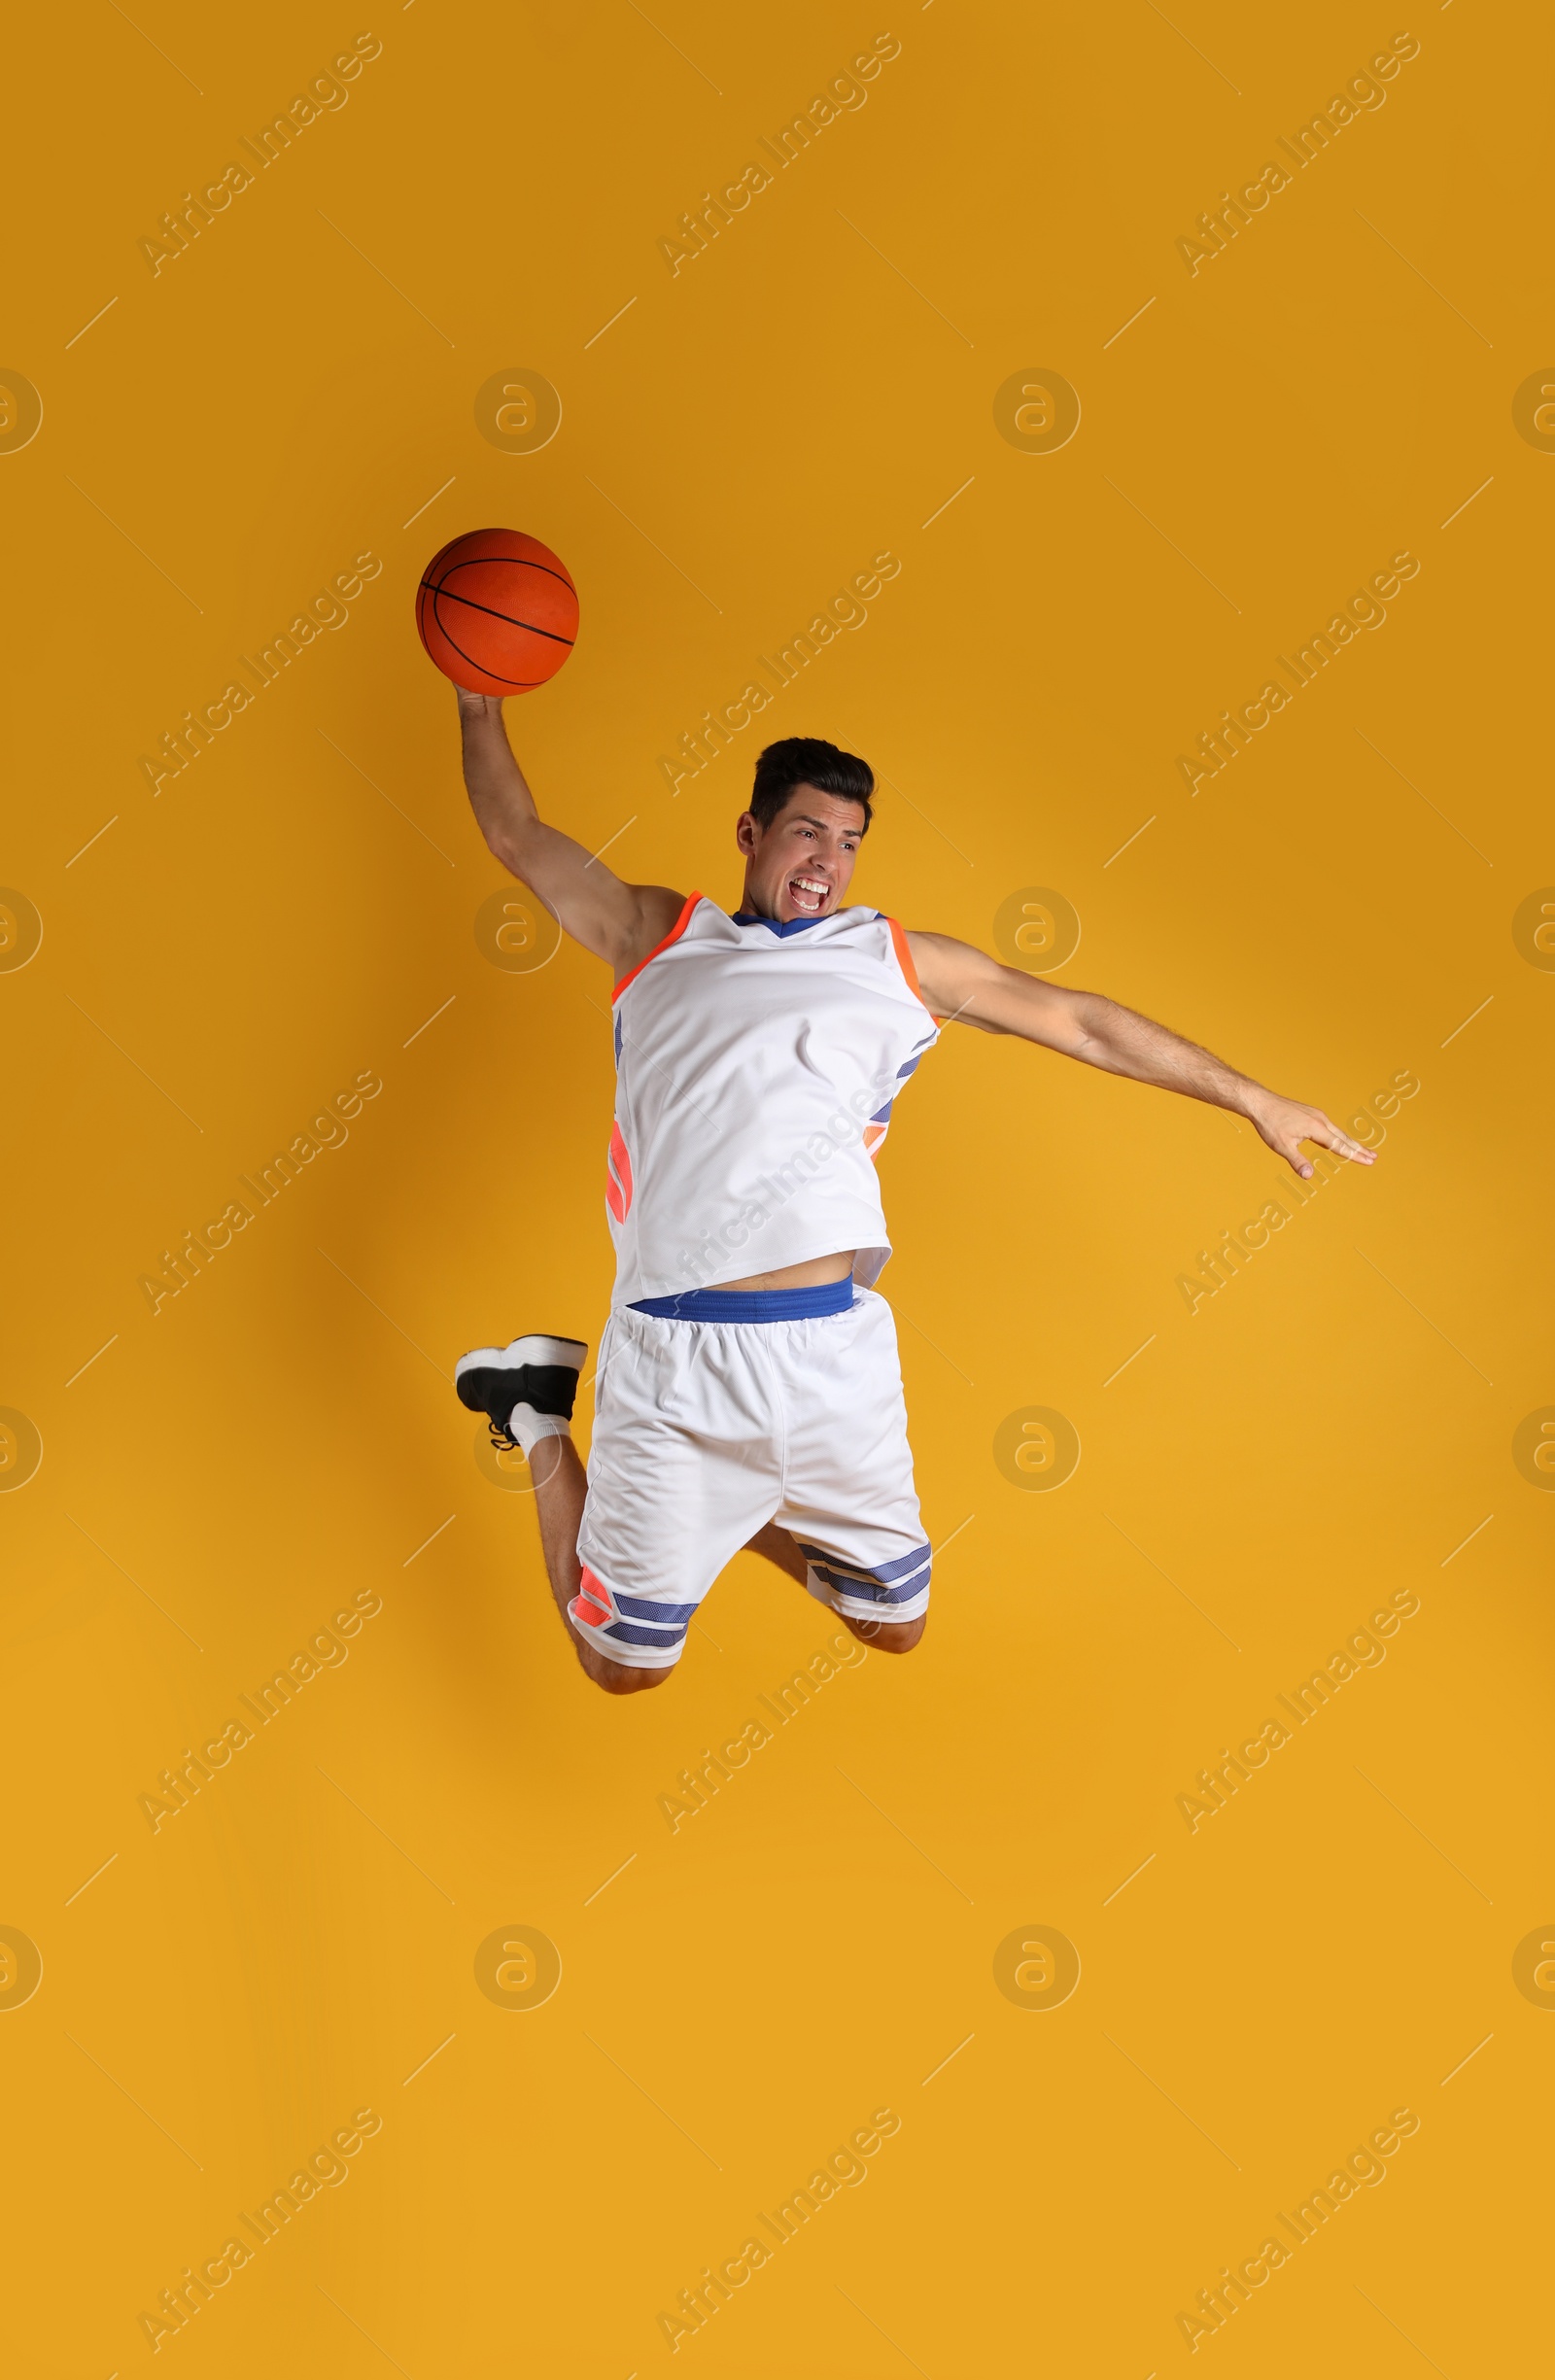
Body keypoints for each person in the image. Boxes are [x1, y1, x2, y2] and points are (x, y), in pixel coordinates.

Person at [452, 700, 1374, 1694]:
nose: (827, 860)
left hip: (830, 1355)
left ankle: (725, 1511)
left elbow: (1079, 1020)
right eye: (807, 830)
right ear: (750, 833)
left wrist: (1250, 1097)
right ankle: (539, 1411)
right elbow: (517, 834)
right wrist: (477, 695)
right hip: (672, 1358)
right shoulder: (656, 936)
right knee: (618, 1665)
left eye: (849, 841)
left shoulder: (894, 961)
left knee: (892, 1626)